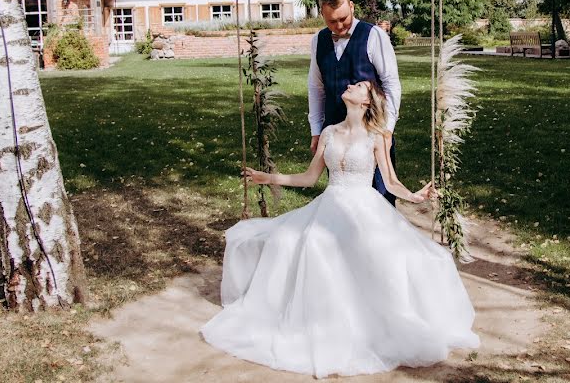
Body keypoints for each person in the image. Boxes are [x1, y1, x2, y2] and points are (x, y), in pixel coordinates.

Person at [200, 80, 480, 378]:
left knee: (366, 249)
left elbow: (390, 181)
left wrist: (415, 196)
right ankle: (315, 320)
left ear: (366, 102)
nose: (350, 85)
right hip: (330, 202)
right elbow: (309, 178)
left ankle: (364, 321)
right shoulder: (330, 133)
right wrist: (268, 178)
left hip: (365, 207)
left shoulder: (378, 136)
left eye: (359, 86)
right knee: (296, 240)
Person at [308, 0, 401, 205]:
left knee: (382, 200)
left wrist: (387, 130)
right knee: (342, 203)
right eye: (332, 21)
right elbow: (316, 87)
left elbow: (391, 83)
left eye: (344, 19)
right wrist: (316, 130)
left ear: (351, 6)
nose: (339, 26)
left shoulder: (374, 35)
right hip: (337, 136)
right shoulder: (318, 41)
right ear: (322, 14)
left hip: (372, 132)